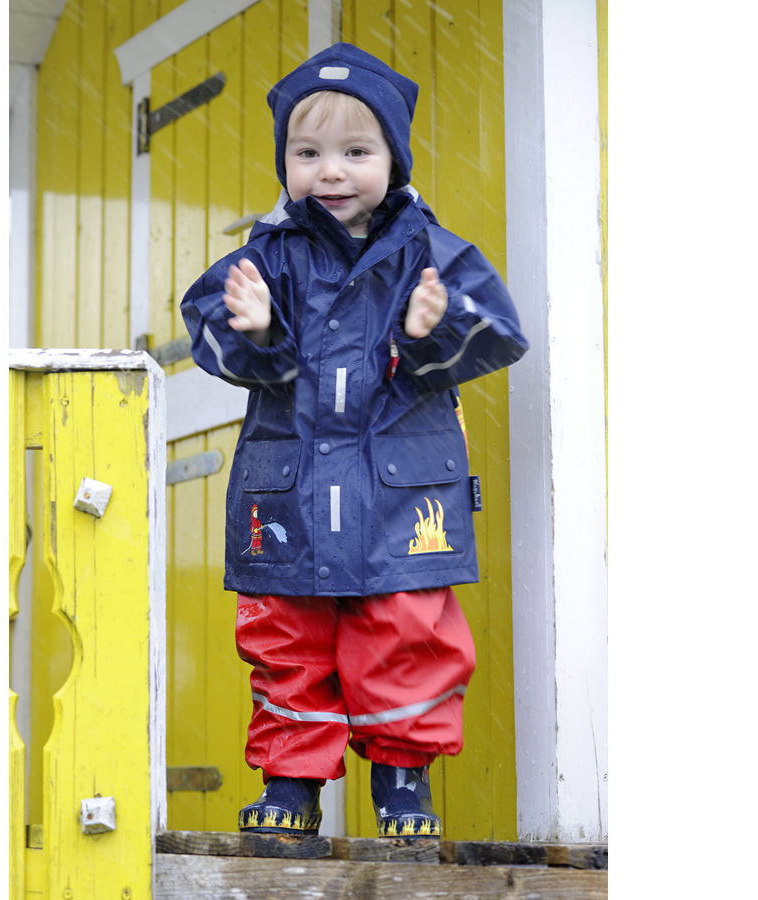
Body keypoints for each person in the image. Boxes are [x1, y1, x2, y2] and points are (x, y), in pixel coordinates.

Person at [181, 43, 527, 839]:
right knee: (287, 635)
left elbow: (500, 329)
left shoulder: (429, 252)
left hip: (401, 494)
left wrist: (436, 330)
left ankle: (403, 781)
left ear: (394, 159)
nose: (331, 172)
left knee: (405, 632)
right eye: (308, 154)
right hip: (290, 488)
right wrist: (255, 330)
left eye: (356, 152)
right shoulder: (269, 256)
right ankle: (291, 782)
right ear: (285, 164)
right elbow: (207, 322)